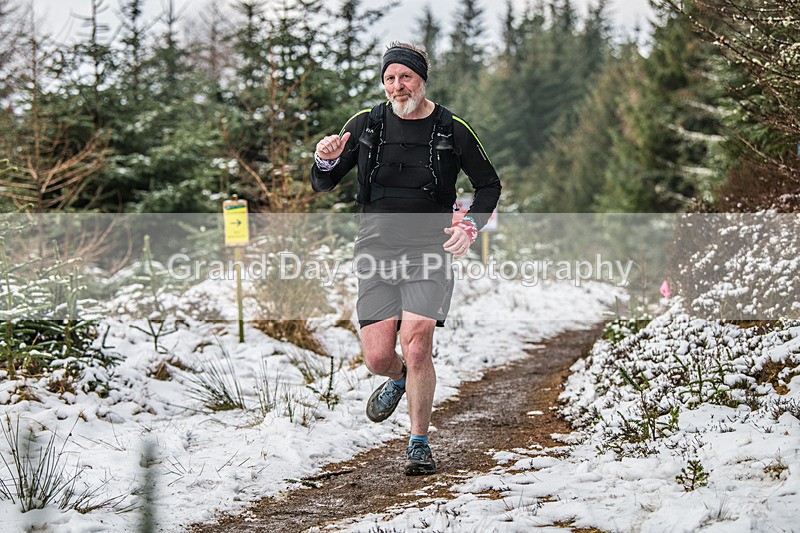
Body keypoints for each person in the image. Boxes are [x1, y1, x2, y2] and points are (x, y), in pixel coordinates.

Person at [310, 42, 501, 475]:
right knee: (379, 357)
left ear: (422, 79)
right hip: (376, 249)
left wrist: (469, 226)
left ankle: (418, 441)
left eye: (406, 77)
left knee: (416, 344)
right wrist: (323, 161)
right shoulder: (365, 125)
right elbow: (324, 183)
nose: (398, 86)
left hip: (430, 249)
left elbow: (489, 185)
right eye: (390, 78)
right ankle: (396, 379)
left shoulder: (452, 128)